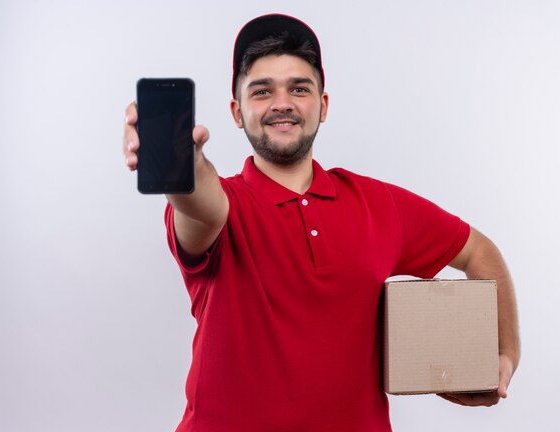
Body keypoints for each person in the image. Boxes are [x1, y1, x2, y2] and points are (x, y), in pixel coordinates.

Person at [122, 13, 520, 432]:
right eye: (262, 91)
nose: (282, 103)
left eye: (299, 88)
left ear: (322, 105)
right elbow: (198, 202)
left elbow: (478, 250)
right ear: (237, 113)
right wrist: (184, 165)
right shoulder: (224, 206)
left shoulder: (377, 203)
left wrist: (504, 354)